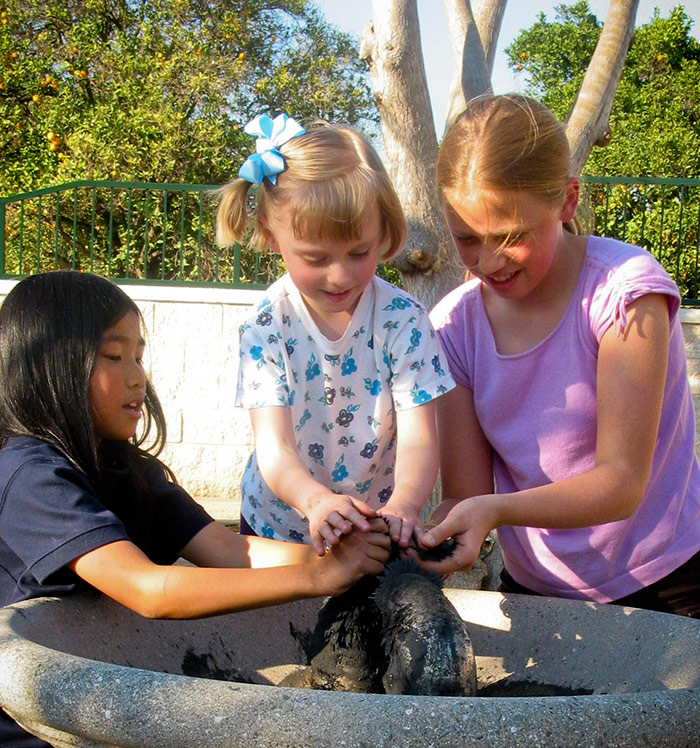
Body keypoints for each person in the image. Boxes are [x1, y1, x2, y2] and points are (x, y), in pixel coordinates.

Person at [0, 270, 392, 747]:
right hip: (32, 727)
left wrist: (353, 554)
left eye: (140, 356)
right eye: (114, 356)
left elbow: (233, 551)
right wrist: (319, 579)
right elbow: (150, 590)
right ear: (49, 367)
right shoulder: (29, 476)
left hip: (108, 701)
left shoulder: (129, 470)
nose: (137, 376)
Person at [418, 94, 700, 618]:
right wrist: (424, 532)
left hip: (668, 584)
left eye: (511, 236)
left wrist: (496, 510)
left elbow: (621, 483)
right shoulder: (453, 328)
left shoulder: (624, 294)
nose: (489, 261)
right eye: (467, 239)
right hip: (537, 594)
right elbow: (466, 494)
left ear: (568, 201)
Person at [217, 113, 455, 557]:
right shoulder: (267, 323)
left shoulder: (403, 320)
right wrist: (314, 501)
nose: (340, 275)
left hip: (376, 525)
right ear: (271, 236)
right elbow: (275, 446)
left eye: (359, 252)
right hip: (280, 526)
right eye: (315, 257)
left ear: (384, 230)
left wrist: (404, 504)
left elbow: (421, 438)